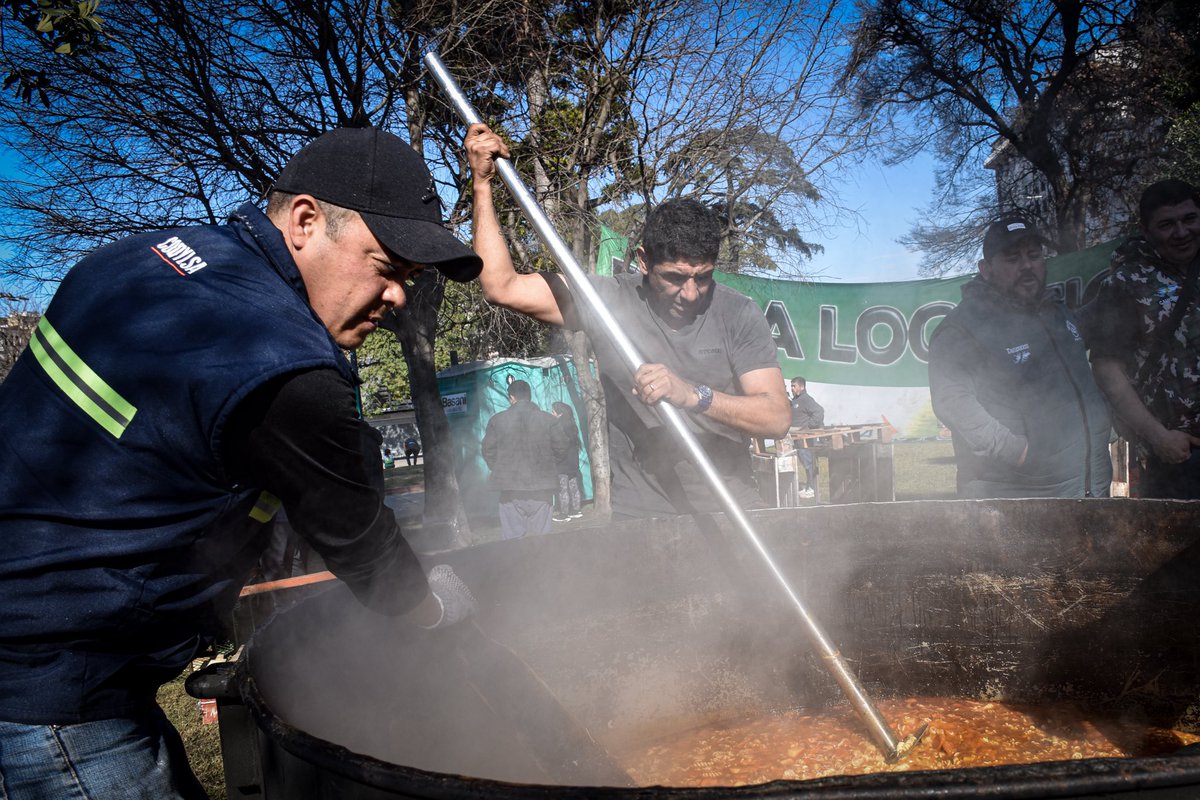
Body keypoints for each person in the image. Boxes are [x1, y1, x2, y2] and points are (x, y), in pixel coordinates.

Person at [0, 126, 481, 799]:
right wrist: (434, 610)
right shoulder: (282, 361)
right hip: (52, 692)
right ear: (306, 221)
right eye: (386, 265)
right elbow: (367, 553)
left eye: (410, 277)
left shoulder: (134, 260)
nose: (399, 296)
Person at [465, 125, 791, 520]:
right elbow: (502, 286)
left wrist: (693, 396)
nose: (690, 293)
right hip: (641, 515)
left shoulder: (737, 313)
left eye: (702, 277)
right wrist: (482, 186)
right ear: (643, 261)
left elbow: (775, 418)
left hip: (735, 510)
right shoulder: (608, 301)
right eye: (674, 277)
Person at [927, 215, 1112, 498]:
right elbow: (951, 401)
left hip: (1088, 488)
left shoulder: (1056, 311)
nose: (1026, 266)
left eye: (1033, 255)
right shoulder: (963, 326)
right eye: (1012, 259)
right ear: (986, 269)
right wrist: (1016, 451)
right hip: (1018, 500)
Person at [1083, 179, 1200, 499]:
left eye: (1190, 219)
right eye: (1167, 224)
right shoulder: (1125, 283)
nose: (1181, 232)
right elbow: (1107, 369)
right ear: (1147, 232)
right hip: (1177, 457)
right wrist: (1159, 437)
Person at [481, 380, 570, 538]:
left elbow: (488, 450)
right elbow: (562, 447)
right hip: (542, 488)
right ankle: (542, 563)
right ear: (529, 396)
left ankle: (517, 563)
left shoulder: (497, 420)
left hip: (510, 490)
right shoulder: (549, 420)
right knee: (542, 543)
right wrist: (548, 466)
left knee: (513, 543)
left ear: (511, 398)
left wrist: (500, 469)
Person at [788, 376, 824, 499]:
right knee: (804, 463)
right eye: (791, 386)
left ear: (802, 387)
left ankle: (813, 489)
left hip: (805, 439)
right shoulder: (795, 400)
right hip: (797, 438)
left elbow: (819, 411)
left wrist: (809, 426)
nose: (792, 388)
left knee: (808, 463)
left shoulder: (806, 399)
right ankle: (809, 487)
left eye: (794, 386)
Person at [551, 401, 585, 520]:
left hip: (563, 461)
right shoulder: (572, 424)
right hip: (573, 460)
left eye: (553, 411)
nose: (552, 413)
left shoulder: (558, 425)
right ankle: (576, 510)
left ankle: (564, 514)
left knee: (562, 488)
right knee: (573, 486)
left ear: (559, 413)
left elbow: (558, 444)